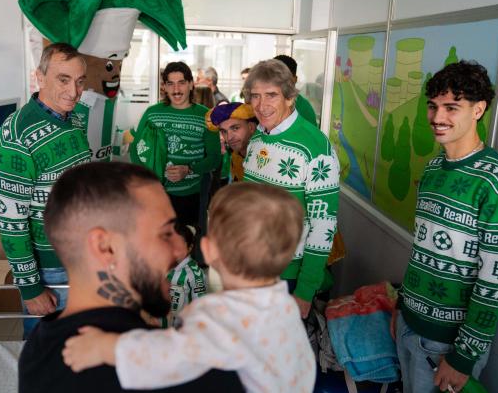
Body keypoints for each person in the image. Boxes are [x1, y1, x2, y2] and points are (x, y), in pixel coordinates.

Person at [62, 182, 316, 393]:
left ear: (208, 250)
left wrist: (105, 347)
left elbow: (168, 356)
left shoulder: (219, 316)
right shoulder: (285, 305)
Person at [19, 162, 244, 393]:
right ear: (106, 247)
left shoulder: (38, 348)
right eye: (165, 233)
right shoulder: (160, 369)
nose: (179, 250)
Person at [391, 61, 498, 393]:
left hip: (448, 346)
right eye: (433, 106)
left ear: (478, 110)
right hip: (410, 324)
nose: (438, 118)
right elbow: (422, 248)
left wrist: (464, 356)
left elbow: (496, 284)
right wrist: (402, 305)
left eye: (452, 107)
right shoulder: (434, 167)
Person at [0, 43, 91, 338]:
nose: (74, 91)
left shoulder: (73, 118)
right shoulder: (17, 135)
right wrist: (31, 287)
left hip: (81, 258)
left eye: (80, 81)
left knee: (75, 347)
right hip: (50, 270)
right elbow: (10, 223)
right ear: (39, 77)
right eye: (64, 79)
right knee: (43, 350)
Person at [242, 59, 340, 319]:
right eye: (255, 96)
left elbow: (323, 226)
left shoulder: (316, 148)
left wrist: (305, 290)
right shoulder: (258, 138)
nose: (262, 105)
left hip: (289, 278)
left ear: (289, 97)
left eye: (271, 95)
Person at [130, 62, 220, 227]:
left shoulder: (206, 116)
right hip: (155, 195)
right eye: (170, 83)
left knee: (185, 245)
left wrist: (188, 169)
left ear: (191, 84)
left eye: (181, 83)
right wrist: (150, 179)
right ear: (164, 87)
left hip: (190, 197)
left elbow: (214, 158)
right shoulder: (152, 113)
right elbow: (135, 150)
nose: (176, 89)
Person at [164, 223, 207, 328]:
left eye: (180, 246)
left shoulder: (195, 274)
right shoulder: (162, 265)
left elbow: (200, 307)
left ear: (190, 247)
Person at [206, 102, 257, 182]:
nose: (229, 138)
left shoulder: (265, 156)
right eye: (224, 131)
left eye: (235, 128)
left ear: (251, 127)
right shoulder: (235, 156)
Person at [274, 54, 318, 126]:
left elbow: (310, 135)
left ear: (295, 79)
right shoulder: (261, 103)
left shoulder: (303, 108)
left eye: (285, 78)